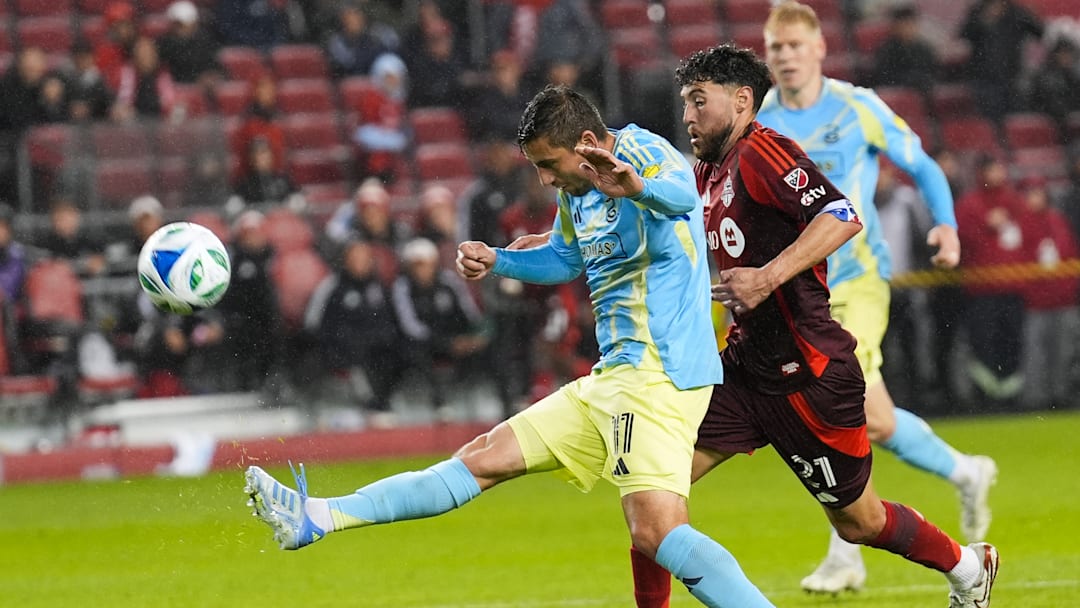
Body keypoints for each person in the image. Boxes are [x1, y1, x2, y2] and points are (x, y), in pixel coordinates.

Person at [244, 84, 774, 608]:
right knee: (481, 459)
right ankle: (316, 516)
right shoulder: (576, 190)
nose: (544, 179)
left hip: (658, 377)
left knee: (656, 532)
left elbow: (684, 199)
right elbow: (565, 258)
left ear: (587, 142)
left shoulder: (641, 150)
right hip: (613, 379)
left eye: (548, 164)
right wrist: (498, 260)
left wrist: (636, 187)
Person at [627, 44, 999, 608]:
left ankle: (968, 567)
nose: (688, 116)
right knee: (652, 489)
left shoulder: (762, 151)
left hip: (809, 375)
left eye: (699, 101)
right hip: (745, 369)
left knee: (860, 522)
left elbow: (841, 215)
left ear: (742, 101)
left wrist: (767, 278)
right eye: (685, 103)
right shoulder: (706, 170)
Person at [753, 1, 997, 594]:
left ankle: (846, 555)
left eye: (794, 45)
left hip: (858, 281)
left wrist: (946, 225)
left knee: (833, 395)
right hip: (799, 289)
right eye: (776, 47)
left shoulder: (856, 106)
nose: (785, 56)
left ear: (819, 49)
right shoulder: (760, 119)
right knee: (876, 418)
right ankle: (965, 471)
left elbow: (922, 165)